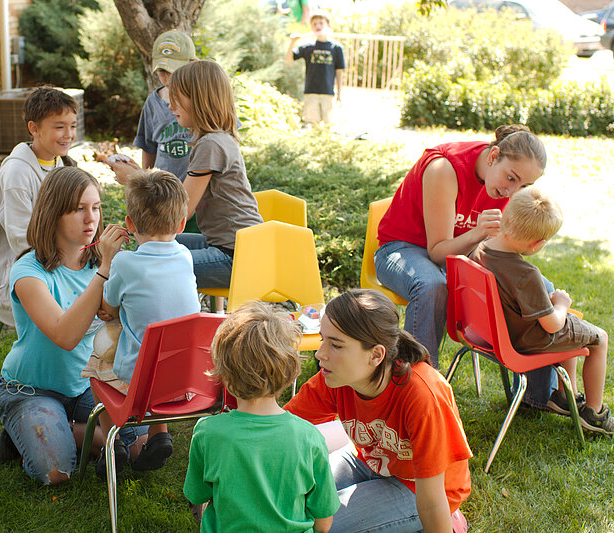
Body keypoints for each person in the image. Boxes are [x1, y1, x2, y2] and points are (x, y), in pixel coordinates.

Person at [374, 124, 557, 409]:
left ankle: (542, 396)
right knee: (432, 286)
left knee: (540, 288)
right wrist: (478, 233)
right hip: (402, 249)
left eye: (523, 186)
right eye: (511, 178)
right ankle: (419, 393)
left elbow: (495, 251)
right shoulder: (444, 169)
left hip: (460, 253)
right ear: (493, 155)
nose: (512, 191)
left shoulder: (503, 185)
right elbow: (436, 253)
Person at [285, 289, 472, 533]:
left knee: (316, 527)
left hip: (423, 487)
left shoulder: (423, 394)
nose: (320, 354)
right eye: (323, 340)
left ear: (376, 355)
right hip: (371, 461)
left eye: (336, 345)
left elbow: (432, 501)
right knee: (288, 500)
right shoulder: (335, 378)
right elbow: (280, 428)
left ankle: (450, 522)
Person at [0, 167, 136, 485]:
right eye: (78, 209)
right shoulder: (28, 271)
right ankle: (28, 431)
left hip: (87, 385)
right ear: (54, 213)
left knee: (138, 446)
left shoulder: (101, 261)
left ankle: (73, 429)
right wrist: (105, 271)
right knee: (57, 472)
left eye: (96, 207)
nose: (91, 219)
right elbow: (65, 335)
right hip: (30, 390)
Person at [470, 187, 614, 434]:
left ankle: (565, 396)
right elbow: (553, 325)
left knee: (574, 328)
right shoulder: (526, 274)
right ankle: (594, 414)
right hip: (526, 340)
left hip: (494, 334)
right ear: (537, 244)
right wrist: (561, 304)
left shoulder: (481, 248)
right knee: (599, 338)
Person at [184, 302, 340, 533]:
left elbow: (197, 494)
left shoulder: (207, 432)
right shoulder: (309, 437)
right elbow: (324, 524)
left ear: (223, 374)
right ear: (288, 372)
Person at [109, 60, 263, 289]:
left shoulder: (211, 144)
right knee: (149, 246)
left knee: (149, 264)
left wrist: (134, 179)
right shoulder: (215, 139)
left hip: (237, 258)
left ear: (199, 100)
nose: (171, 106)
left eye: (177, 98)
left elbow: (181, 209)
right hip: (235, 247)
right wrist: (140, 174)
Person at [89, 169, 199, 476]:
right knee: (163, 339)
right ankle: (158, 434)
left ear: (129, 224)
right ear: (180, 224)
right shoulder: (186, 256)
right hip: (185, 379)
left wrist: (107, 261)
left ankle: (114, 443)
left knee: (97, 360)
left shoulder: (124, 262)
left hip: (139, 380)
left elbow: (108, 307)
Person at [0, 86, 79, 327]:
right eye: (59, 126)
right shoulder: (17, 174)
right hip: (23, 275)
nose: (68, 134)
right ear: (33, 128)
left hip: (57, 261)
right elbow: (23, 244)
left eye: (73, 125)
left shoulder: (60, 163)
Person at [134, 30, 197, 181]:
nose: (168, 78)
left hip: (200, 191)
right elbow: (148, 148)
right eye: (162, 71)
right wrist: (146, 184)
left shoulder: (207, 98)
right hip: (164, 192)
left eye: (174, 71)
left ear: (193, 64)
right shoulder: (153, 103)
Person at [285, 10, 345, 125]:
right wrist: (292, 42)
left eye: (321, 23)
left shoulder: (336, 48)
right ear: (311, 27)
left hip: (328, 92)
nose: (318, 26)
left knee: (329, 125)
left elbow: (339, 71)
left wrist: (339, 93)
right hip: (311, 91)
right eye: (314, 24)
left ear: (328, 25)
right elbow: (289, 59)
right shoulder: (308, 47)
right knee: (313, 125)